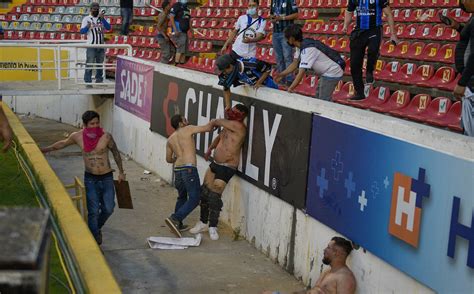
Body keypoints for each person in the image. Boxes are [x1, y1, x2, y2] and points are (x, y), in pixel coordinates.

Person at [41, 111, 126, 245]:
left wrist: (121, 172)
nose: (95, 126)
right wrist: (44, 150)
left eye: (97, 123)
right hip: (90, 178)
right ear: (85, 125)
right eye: (92, 124)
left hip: (107, 177)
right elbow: (62, 144)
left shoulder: (106, 137)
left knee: (109, 208)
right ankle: (94, 239)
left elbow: (115, 152)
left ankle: (95, 228)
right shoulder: (77, 136)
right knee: (92, 211)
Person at [189, 104, 249, 241]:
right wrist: (210, 149)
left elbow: (216, 121)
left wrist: (213, 122)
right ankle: (203, 222)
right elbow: (220, 137)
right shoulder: (228, 126)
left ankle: (213, 226)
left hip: (227, 166)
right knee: (204, 192)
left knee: (215, 196)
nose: (231, 112)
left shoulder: (239, 127)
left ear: (241, 115)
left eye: (235, 111)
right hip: (215, 163)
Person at [164, 115, 214, 238]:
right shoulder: (188, 129)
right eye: (185, 119)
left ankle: (177, 224)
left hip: (178, 170)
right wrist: (214, 122)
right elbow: (207, 128)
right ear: (180, 124)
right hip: (189, 169)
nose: (188, 121)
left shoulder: (170, 139)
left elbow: (168, 159)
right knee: (195, 198)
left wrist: (178, 157)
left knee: (181, 197)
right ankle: (175, 218)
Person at [344, 0, 397, 100]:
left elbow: (388, 14)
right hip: (359, 31)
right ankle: (359, 92)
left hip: (374, 29)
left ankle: (369, 70)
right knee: (354, 64)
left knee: (373, 50)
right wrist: (345, 26)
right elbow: (349, 11)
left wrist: (393, 34)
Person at [263, 237, 356, 294]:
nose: (324, 250)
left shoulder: (345, 278)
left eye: (328, 247)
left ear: (336, 253)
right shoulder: (328, 271)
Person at [276, 24, 344, 101]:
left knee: (324, 100)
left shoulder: (308, 49)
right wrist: (281, 74)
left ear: (291, 39)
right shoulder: (300, 46)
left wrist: (291, 88)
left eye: (286, 39)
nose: (286, 41)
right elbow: (294, 64)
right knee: (318, 96)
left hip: (332, 72)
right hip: (327, 72)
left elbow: (301, 73)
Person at [448, 0, 474, 136]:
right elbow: (468, 35)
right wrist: (457, 26)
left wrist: (462, 83)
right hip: (469, 79)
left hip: (471, 81)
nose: (462, 4)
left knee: (470, 131)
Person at [80, 2, 111, 87]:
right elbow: (81, 32)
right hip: (91, 45)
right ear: (90, 9)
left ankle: (99, 80)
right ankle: (88, 81)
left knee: (99, 64)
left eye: (97, 9)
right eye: (94, 9)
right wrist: (87, 27)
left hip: (101, 45)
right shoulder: (86, 19)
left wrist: (103, 19)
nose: (96, 11)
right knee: (89, 63)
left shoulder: (101, 18)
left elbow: (109, 28)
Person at [270, 0, 299, 85]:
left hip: (286, 33)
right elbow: (271, 13)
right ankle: (281, 79)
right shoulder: (273, 1)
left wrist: (282, 18)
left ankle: (289, 80)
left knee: (287, 57)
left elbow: (296, 15)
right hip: (275, 32)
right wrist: (272, 18)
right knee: (279, 58)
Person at [169, 0, 191, 65]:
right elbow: (171, 17)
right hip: (179, 31)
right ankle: (175, 65)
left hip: (185, 32)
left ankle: (181, 64)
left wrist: (191, 31)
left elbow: (189, 20)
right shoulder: (176, 6)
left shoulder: (187, 8)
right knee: (180, 49)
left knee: (184, 51)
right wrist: (175, 30)